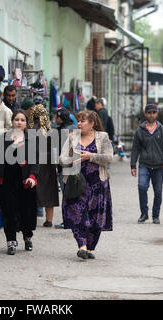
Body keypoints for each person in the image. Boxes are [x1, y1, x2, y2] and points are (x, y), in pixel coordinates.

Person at [60, 110, 113, 260]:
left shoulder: (102, 137)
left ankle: (90, 247)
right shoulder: (72, 137)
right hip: (76, 182)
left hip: (98, 183)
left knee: (96, 219)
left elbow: (109, 158)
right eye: (78, 120)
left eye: (83, 121)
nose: (79, 123)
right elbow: (62, 158)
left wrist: (91, 156)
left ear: (92, 123)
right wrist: (72, 158)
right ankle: (82, 245)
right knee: (77, 214)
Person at [0, 109, 39, 255]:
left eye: (22, 120)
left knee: (25, 212)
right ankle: (11, 242)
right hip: (6, 181)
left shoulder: (31, 139)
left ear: (26, 123)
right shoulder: (5, 138)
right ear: (12, 121)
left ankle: (27, 237)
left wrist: (32, 177)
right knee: (8, 211)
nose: (19, 122)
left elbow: (35, 162)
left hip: (25, 182)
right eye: (17, 120)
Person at [131, 104, 163, 225]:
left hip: (159, 166)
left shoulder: (162, 130)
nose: (151, 115)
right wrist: (133, 165)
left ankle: (155, 215)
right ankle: (144, 213)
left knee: (158, 191)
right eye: (149, 113)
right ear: (145, 114)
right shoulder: (140, 130)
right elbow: (135, 149)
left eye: (154, 112)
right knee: (142, 187)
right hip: (144, 164)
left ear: (157, 113)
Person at [27, 104, 60, 228]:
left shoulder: (30, 130)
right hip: (49, 163)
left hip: (33, 161)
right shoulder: (51, 130)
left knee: (32, 188)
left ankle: (31, 217)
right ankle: (49, 220)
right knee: (49, 191)